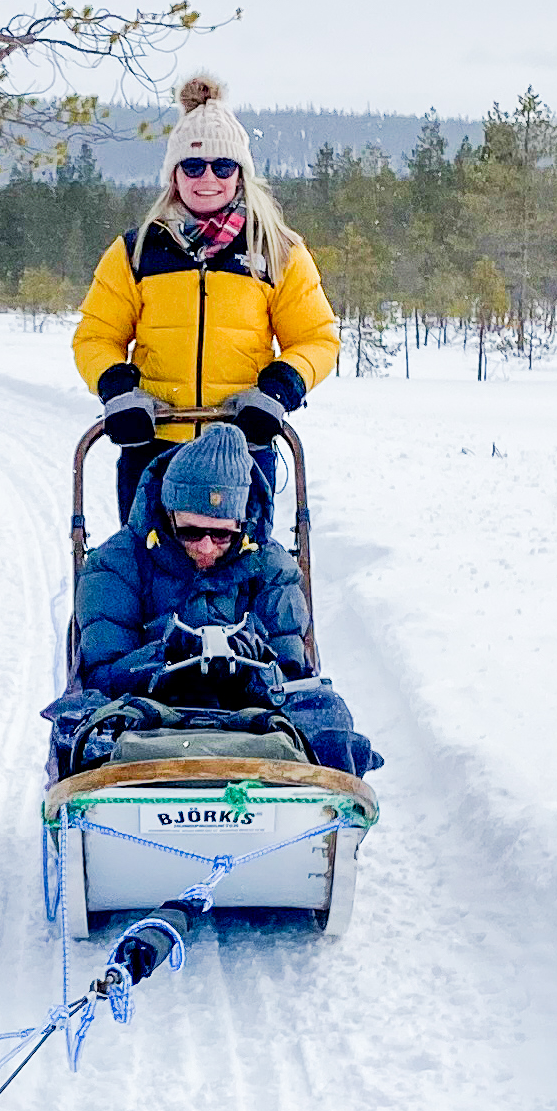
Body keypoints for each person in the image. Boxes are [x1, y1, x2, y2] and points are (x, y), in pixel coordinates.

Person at [73, 73, 339, 524]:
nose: (208, 178)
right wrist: (119, 391)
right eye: (193, 167)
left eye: (223, 166)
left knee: (239, 578)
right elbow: (96, 336)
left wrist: (276, 391)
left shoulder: (278, 252)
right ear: (174, 174)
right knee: (148, 574)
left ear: (241, 173)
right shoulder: (137, 252)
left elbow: (316, 339)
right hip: (152, 447)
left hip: (241, 446)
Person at [56, 424, 380, 777]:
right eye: (191, 532)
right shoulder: (116, 564)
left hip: (250, 721)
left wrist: (253, 662)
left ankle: (325, 805)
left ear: (242, 523)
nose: (207, 546)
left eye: (223, 534)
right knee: (82, 721)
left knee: (324, 711)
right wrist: (166, 658)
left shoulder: (272, 568)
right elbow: (101, 677)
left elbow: (291, 676)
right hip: (145, 717)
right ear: (168, 513)